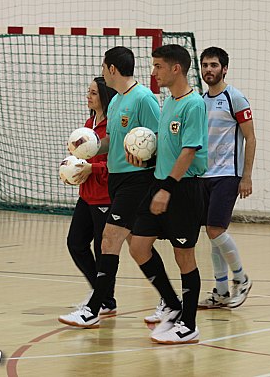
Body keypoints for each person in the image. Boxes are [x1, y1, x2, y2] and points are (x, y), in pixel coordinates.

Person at [58, 46, 161, 328]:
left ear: (112, 69)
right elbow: (111, 143)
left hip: (136, 182)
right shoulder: (115, 104)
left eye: (104, 67)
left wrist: (148, 164)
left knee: (112, 242)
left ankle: (98, 305)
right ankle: (169, 301)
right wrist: (84, 152)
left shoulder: (144, 98)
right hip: (115, 182)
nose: (102, 71)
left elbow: (158, 139)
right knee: (135, 245)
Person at [128, 44, 208, 344]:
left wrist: (167, 189)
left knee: (183, 255)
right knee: (138, 246)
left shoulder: (194, 104)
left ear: (176, 68)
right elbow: (168, 145)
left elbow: (189, 151)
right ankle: (172, 304)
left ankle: (188, 324)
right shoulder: (169, 102)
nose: (153, 71)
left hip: (183, 189)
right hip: (160, 184)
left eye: (158, 66)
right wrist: (146, 159)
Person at [196, 47, 255, 309]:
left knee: (215, 230)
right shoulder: (199, 100)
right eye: (205, 65)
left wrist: (246, 176)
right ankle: (220, 291)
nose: (209, 70)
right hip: (203, 175)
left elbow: (251, 138)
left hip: (227, 175)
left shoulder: (236, 98)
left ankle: (241, 279)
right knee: (212, 233)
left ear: (225, 69)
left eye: (214, 65)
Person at [62, 77, 117, 315]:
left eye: (93, 93)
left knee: (102, 249)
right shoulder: (89, 123)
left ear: (104, 97)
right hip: (86, 194)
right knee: (75, 243)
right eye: (88, 92)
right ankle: (101, 293)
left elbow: (114, 163)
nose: (88, 96)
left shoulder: (113, 127)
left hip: (105, 197)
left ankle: (104, 299)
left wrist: (91, 168)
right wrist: (74, 163)